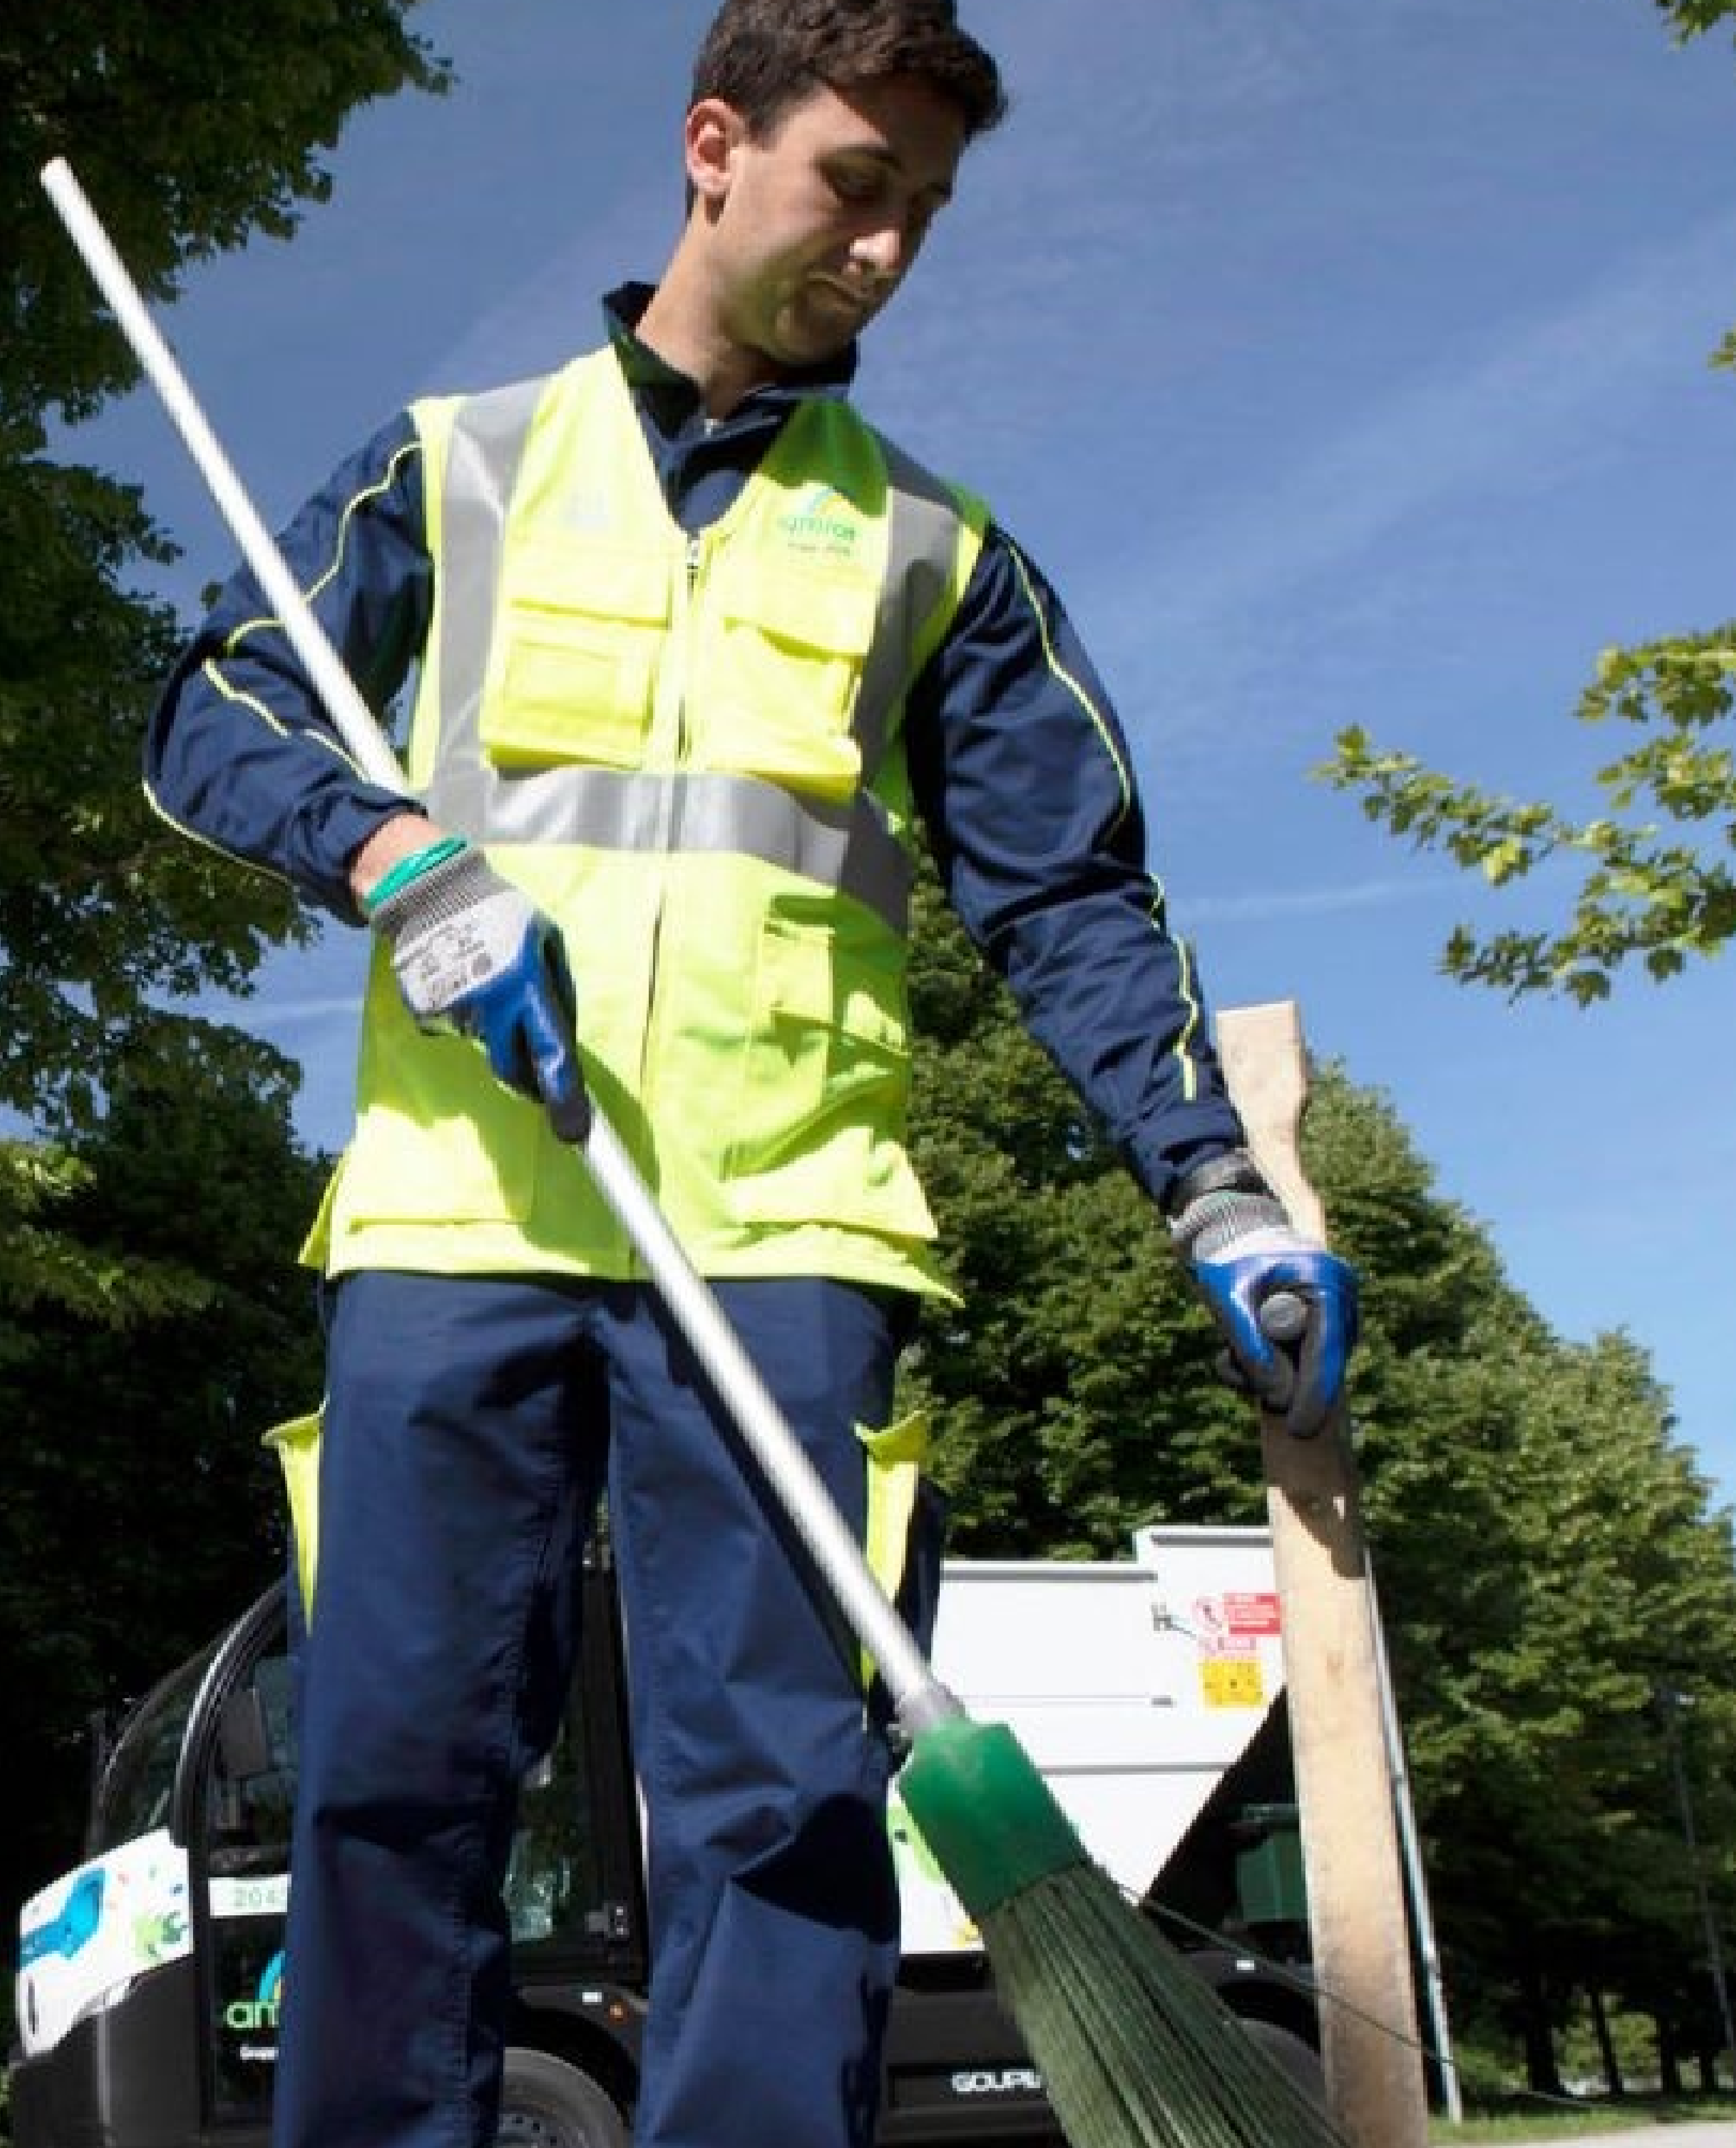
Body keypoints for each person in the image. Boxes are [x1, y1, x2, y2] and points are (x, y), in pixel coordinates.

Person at [140, 3, 1361, 2145]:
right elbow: (207, 708)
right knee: (391, 1770)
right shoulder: (462, 459)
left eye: (926, 211)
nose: (888, 247)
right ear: (715, 145)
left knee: (779, 1793)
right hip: (460, 1217)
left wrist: (1215, 1189)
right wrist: (393, 849)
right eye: (853, 186)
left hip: (790, 1227)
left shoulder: (934, 558)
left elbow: (1070, 902)